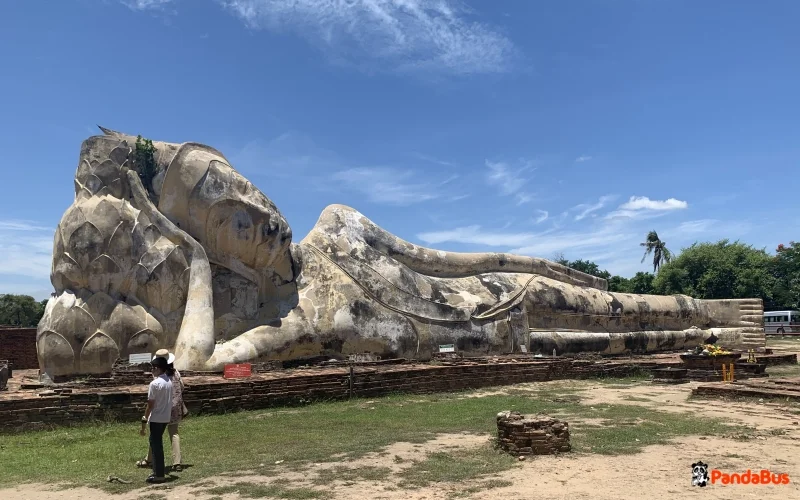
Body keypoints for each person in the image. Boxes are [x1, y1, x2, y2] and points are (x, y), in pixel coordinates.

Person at [137, 349, 186, 472]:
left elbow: (153, 396)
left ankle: (150, 459)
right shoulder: (176, 373)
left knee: (155, 435)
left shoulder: (157, 377)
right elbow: (182, 387)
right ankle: (177, 462)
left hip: (161, 407)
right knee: (173, 433)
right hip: (174, 405)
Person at [140, 355, 173, 483]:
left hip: (156, 417)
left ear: (159, 369)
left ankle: (159, 474)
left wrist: (145, 417)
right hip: (165, 417)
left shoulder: (154, 383)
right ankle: (157, 471)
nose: (152, 370)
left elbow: (150, 404)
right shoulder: (169, 382)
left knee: (156, 445)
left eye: (153, 368)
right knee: (156, 443)